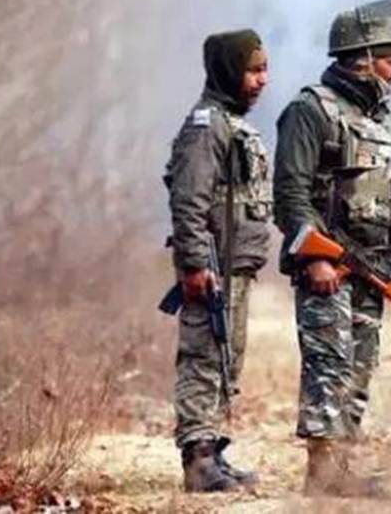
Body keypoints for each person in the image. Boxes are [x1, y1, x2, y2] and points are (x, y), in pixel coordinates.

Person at [272, 0, 391, 497]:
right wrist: (317, 256)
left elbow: (383, 201)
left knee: (361, 364)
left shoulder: (376, 118)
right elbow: (289, 194)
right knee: (329, 362)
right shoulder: (310, 111)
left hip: (372, 266)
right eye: (390, 59)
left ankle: (341, 468)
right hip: (327, 266)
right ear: (362, 56)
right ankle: (322, 472)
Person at [163, 29, 271, 492]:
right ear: (229, 70)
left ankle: (213, 449)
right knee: (203, 356)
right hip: (212, 265)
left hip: (234, 265)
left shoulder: (229, 122)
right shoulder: (207, 127)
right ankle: (198, 458)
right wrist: (193, 263)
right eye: (253, 70)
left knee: (226, 358)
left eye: (265, 69)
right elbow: (189, 198)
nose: (262, 80)